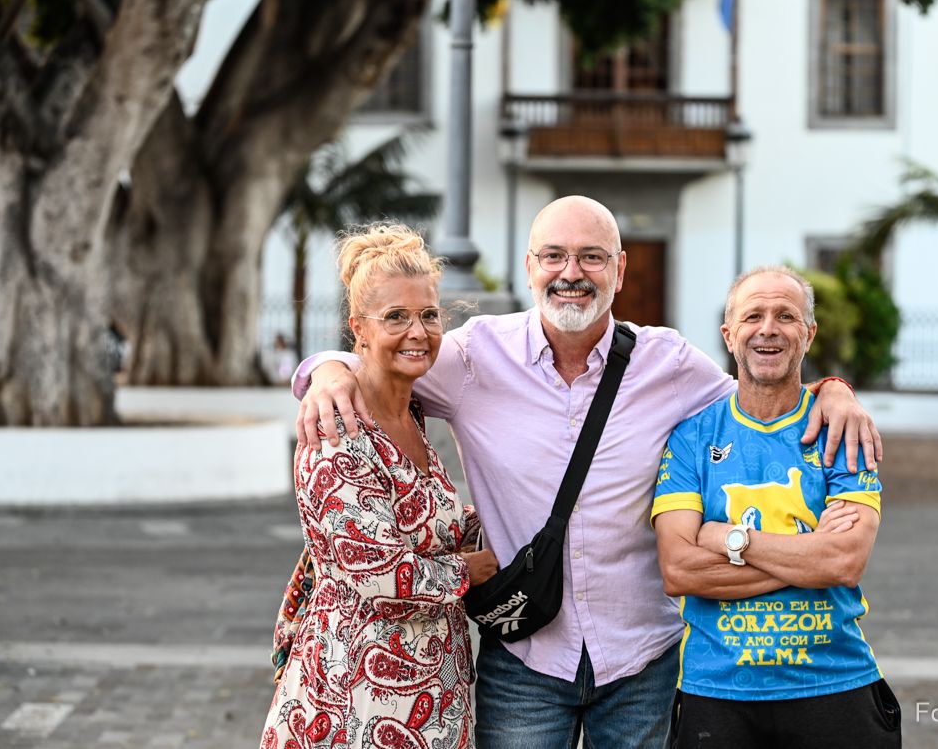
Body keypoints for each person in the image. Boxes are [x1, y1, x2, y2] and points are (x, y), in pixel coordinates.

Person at [292, 196, 883, 748]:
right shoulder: (474, 357)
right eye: (554, 256)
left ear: (619, 271)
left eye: (591, 257)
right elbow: (392, 350)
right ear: (530, 267)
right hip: (523, 657)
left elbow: (761, 394)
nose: (571, 272)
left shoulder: (670, 363)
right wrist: (326, 371)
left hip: (640, 662)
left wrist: (834, 390)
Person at [261, 224, 498, 749]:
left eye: (428, 315)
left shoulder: (413, 413)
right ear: (358, 329)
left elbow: (429, 523)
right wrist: (473, 569)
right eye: (396, 317)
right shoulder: (336, 431)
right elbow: (378, 571)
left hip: (431, 695)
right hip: (354, 697)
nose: (417, 331)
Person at [652, 266, 899, 748]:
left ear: (809, 334)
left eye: (786, 316)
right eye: (753, 316)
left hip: (835, 682)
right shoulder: (691, 438)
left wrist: (728, 538)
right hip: (717, 691)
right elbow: (678, 570)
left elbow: (844, 561)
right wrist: (810, 555)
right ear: (729, 335)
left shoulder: (843, 431)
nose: (768, 329)